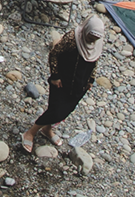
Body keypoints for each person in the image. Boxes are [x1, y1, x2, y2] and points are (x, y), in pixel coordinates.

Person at [20, 14, 105, 153]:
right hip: (62, 81)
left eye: (95, 39)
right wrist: (55, 76)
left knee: (67, 110)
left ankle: (47, 129)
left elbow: (94, 61)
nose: (92, 41)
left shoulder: (96, 43)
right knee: (56, 110)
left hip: (80, 83)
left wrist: (90, 80)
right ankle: (31, 132)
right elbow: (54, 54)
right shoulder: (73, 38)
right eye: (90, 37)